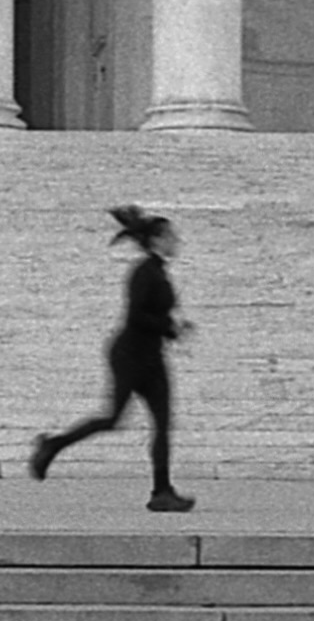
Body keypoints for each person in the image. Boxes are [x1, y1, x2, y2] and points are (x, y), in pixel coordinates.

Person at [29, 204, 195, 511]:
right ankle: (52, 445)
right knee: (112, 418)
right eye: (172, 236)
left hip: (151, 356)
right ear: (158, 239)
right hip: (130, 355)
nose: (178, 242)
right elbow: (136, 316)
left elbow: (153, 315)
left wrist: (174, 329)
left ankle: (162, 491)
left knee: (162, 423)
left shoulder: (158, 270)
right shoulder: (144, 272)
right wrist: (170, 325)